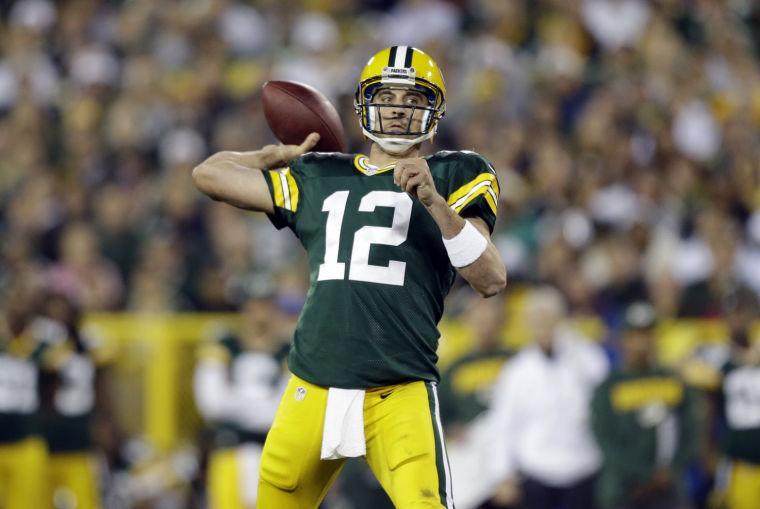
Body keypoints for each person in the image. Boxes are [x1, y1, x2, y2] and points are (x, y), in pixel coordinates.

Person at [192, 45, 507, 508]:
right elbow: (208, 174)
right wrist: (267, 156)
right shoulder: (320, 174)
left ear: (433, 109)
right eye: (387, 96)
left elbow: (491, 278)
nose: (398, 110)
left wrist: (436, 204)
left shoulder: (457, 172)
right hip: (314, 381)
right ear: (365, 103)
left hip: (399, 386)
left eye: (412, 99)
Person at [485, 286, 608, 509]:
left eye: (550, 317)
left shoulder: (587, 357)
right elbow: (503, 424)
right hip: (536, 469)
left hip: (583, 465)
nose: (544, 325)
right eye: (537, 319)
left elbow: (605, 403)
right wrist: (502, 475)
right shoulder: (516, 371)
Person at [591, 301, 700, 509]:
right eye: (635, 335)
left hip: (669, 488)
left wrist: (672, 469)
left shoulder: (673, 381)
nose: (642, 342)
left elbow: (692, 431)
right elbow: (605, 440)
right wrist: (646, 473)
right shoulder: (609, 386)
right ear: (623, 339)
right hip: (623, 490)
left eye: (647, 334)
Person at [193, 279, 290, 509]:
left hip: (275, 455)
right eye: (254, 305)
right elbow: (212, 404)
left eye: (266, 305)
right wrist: (261, 403)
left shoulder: (290, 352)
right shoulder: (222, 345)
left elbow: (282, 411)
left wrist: (236, 400)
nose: (260, 314)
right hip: (229, 453)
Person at [711, 286, 760, 509]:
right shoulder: (718, 357)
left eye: (742, 312)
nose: (738, 320)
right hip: (740, 464)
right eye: (732, 314)